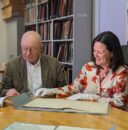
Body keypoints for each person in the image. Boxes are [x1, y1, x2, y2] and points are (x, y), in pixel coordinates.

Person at [35, 31, 128, 109]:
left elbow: (120, 103)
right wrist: (51, 91)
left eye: (99, 52)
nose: (95, 55)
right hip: (88, 116)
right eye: (94, 51)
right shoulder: (88, 68)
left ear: (112, 53)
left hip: (112, 119)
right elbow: (74, 88)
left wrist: (90, 97)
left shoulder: (122, 72)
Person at [0, 31, 66, 97]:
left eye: (32, 49)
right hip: (21, 102)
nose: (28, 53)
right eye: (25, 49)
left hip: (47, 102)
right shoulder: (12, 65)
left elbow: (63, 89)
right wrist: (8, 92)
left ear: (40, 48)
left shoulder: (54, 64)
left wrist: (52, 92)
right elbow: (3, 90)